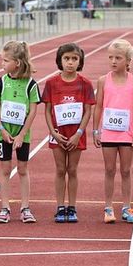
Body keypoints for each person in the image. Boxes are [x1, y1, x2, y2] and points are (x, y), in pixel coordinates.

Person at [42, 43, 95, 223]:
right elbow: (47, 110)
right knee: (59, 169)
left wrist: (78, 133)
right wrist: (53, 133)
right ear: (60, 60)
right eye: (66, 59)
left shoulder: (85, 84)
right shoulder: (51, 83)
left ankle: (72, 207)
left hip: (76, 134)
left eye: (74, 59)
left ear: (79, 61)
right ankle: (60, 207)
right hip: (58, 132)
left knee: (72, 170)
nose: (70, 62)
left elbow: (88, 111)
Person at [0, 41, 41, 223]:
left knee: (22, 169)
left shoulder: (30, 85)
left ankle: (25, 208)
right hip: (3, 134)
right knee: (5, 169)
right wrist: (2, 130)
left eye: (5, 60)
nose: (2, 64)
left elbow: (33, 111)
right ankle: (5, 208)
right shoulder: (0, 83)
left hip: (22, 134)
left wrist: (21, 134)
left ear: (17, 63)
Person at [94, 39, 133, 224]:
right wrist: (95, 130)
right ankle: (108, 207)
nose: (113, 61)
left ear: (128, 60)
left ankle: (126, 207)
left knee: (126, 170)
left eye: (118, 58)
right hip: (108, 131)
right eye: (111, 57)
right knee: (109, 169)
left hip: (126, 132)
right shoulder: (102, 81)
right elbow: (98, 106)